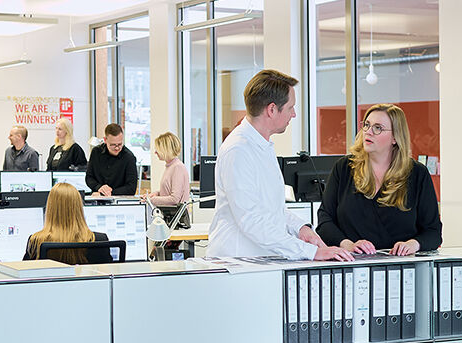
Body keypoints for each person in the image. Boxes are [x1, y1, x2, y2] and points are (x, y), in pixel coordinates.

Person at [207, 69, 352, 262]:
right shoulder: (238, 150)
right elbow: (251, 220)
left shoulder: (261, 145)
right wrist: (310, 252)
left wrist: (301, 228)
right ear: (272, 109)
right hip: (238, 260)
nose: (294, 114)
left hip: (257, 259)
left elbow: (270, 210)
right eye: (291, 107)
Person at [315, 103, 442, 256]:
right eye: (366, 125)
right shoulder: (344, 168)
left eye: (378, 128)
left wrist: (413, 244)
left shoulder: (417, 173)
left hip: (401, 264)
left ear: (395, 137)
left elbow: (433, 231)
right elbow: (325, 221)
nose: (368, 132)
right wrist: (348, 245)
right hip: (352, 262)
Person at [23, 183, 112, 264]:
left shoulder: (36, 241)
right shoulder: (99, 240)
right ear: (79, 207)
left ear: (50, 208)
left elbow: (25, 273)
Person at [85, 123, 138, 196]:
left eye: (119, 144)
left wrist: (109, 193)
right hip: (97, 197)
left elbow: (131, 188)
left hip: (119, 199)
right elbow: (89, 178)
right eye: (113, 145)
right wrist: (99, 187)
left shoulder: (129, 157)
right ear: (105, 140)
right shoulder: (96, 152)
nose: (117, 148)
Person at [142, 132, 191, 206]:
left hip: (176, 213)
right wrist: (157, 194)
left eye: (158, 149)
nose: (155, 152)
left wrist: (151, 200)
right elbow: (168, 192)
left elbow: (175, 199)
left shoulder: (177, 167)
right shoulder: (170, 166)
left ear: (166, 150)